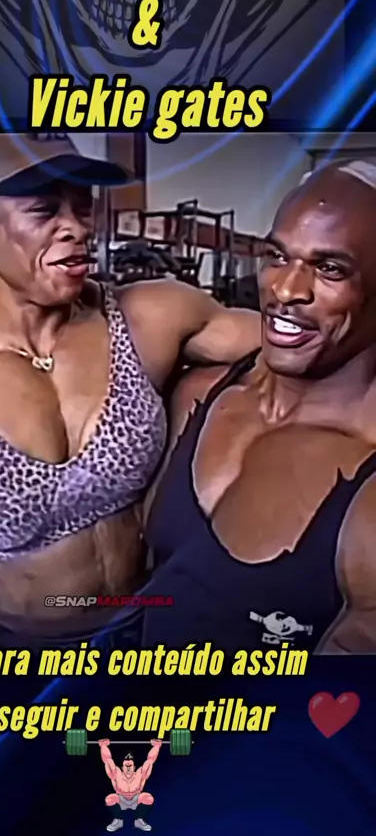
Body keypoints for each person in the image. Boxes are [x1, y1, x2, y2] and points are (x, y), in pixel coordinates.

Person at [0, 132, 260, 656]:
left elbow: (301, 345)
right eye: (45, 210)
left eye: (82, 207)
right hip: (26, 655)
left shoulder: (149, 319)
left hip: (157, 629)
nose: (77, 227)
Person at [142, 161, 376, 654]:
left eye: (330, 269)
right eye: (277, 256)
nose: (285, 289)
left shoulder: (368, 491)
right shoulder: (198, 395)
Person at [100, 739, 162, 832]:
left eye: (130, 766)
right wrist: (103, 746)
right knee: (109, 799)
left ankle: (139, 820)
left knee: (148, 798)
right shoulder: (116, 773)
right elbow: (107, 760)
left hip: (136, 799)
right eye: (126, 766)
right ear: (122, 767)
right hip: (121, 799)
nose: (128, 768)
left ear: (134, 767)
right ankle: (118, 821)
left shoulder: (140, 773)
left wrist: (156, 746)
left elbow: (150, 761)